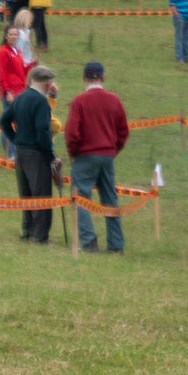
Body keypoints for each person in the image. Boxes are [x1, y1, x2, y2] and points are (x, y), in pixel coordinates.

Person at [64, 62, 129, 254]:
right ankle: (116, 245)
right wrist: (113, 150)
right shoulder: (114, 100)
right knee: (110, 198)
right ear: (103, 77)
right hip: (107, 155)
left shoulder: (79, 101)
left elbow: (71, 133)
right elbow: (123, 131)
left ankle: (89, 241)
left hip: (85, 155)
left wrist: (73, 153)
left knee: (81, 197)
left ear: (84, 78)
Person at [0, 65, 59, 244]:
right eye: (50, 80)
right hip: (37, 154)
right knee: (41, 195)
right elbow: (43, 130)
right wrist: (50, 156)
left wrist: (16, 139)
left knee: (25, 193)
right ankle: (40, 236)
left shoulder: (21, 97)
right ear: (46, 82)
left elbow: (3, 121)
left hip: (21, 153)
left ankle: (27, 231)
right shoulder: (41, 102)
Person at [0, 25, 30, 159]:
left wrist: (31, 65)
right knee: (8, 122)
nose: (14, 37)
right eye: (11, 34)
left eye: (16, 34)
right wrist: (7, 92)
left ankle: (17, 152)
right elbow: (2, 74)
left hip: (20, 92)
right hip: (11, 94)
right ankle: (10, 154)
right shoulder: (3, 51)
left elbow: (21, 72)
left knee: (19, 123)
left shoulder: (17, 51)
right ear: (6, 36)